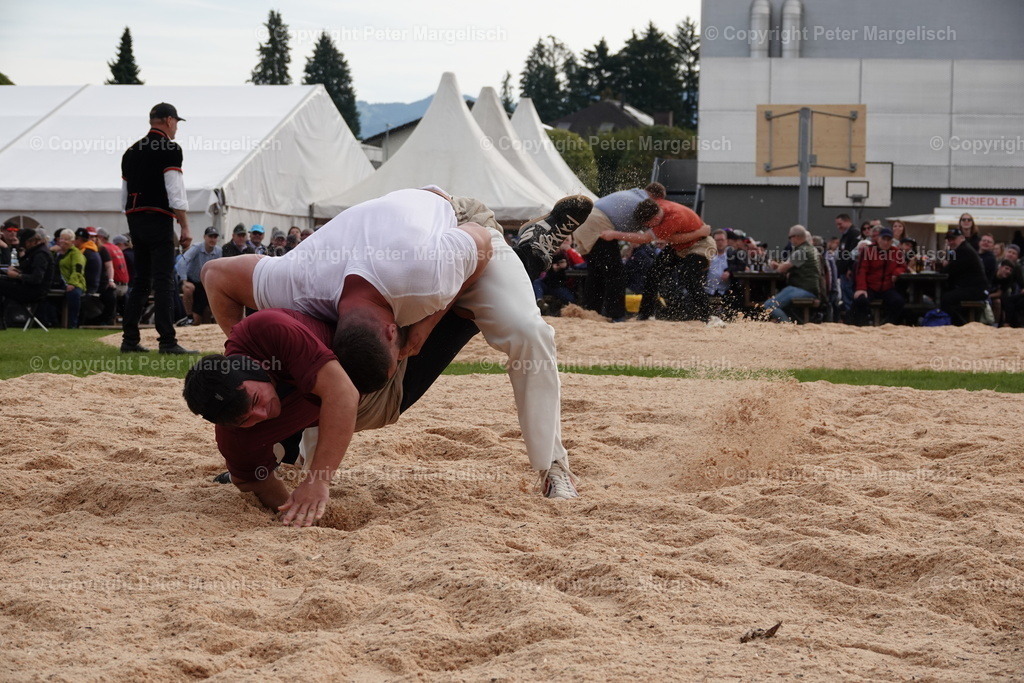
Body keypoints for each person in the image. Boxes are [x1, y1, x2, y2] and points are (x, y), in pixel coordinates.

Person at [200, 188, 592, 499]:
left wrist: (424, 326)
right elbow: (215, 275)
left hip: (460, 227)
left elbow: (481, 247)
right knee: (324, 370)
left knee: (526, 329)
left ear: (394, 332)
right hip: (379, 267)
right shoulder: (295, 282)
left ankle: (553, 466)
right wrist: (244, 360)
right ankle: (285, 448)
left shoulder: (428, 274)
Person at [120, 102, 194, 354]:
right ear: (170, 120)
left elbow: (124, 195)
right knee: (164, 281)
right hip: (159, 217)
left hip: (135, 219)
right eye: (176, 123)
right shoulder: (170, 149)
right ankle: (167, 341)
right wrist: (184, 226)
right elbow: (175, 192)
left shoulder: (130, 152)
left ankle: (129, 339)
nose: (176, 129)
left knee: (140, 280)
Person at [608, 199, 712, 321]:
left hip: (700, 244)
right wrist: (698, 232)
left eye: (648, 225)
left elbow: (644, 238)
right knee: (653, 273)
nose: (648, 227)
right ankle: (645, 315)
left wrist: (614, 234)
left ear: (656, 219)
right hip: (679, 246)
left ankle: (707, 316)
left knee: (688, 275)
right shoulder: (659, 205)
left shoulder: (672, 220)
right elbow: (674, 240)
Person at [762, 225, 822, 322]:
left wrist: (775, 265)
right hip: (810, 288)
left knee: (769, 305)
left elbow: (781, 269)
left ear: (796, 237)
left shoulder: (801, 251)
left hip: (802, 288)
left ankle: (787, 325)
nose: (790, 240)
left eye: (790, 237)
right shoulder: (811, 249)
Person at [849, 227, 907, 326]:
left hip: (887, 288)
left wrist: (896, 272)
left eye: (888, 240)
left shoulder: (896, 252)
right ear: (878, 239)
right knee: (860, 300)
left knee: (899, 302)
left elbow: (902, 266)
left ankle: (888, 324)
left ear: (892, 241)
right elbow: (862, 270)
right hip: (870, 287)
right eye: (883, 239)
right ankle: (862, 325)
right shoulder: (869, 250)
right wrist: (861, 288)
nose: (886, 242)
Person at [935, 227, 988, 326]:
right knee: (946, 295)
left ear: (961, 238)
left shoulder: (963, 250)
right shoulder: (961, 249)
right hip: (973, 288)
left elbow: (947, 271)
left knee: (946, 298)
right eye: (949, 240)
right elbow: (948, 266)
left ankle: (958, 325)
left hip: (976, 290)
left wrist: (944, 265)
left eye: (953, 239)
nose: (951, 242)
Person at [0, 228, 54, 314]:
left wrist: (17, 275)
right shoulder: (36, 252)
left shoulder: (40, 255)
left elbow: (37, 279)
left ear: (30, 241)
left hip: (35, 291)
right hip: (30, 287)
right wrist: (18, 272)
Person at [176, 227, 222, 325]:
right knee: (188, 288)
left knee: (205, 317)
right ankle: (188, 317)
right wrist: (184, 281)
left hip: (205, 285)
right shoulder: (196, 247)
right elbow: (181, 262)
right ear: (204, 237)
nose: (212, 239)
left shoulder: (219, 251)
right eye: (210, 236)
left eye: (215, 237)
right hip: (192, 280)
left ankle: (193, 319)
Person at [95, 228, 129, 323]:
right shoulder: (116, 248)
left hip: (115, 285)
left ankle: (102, 321)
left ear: (100, 237)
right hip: (124, 286)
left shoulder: (104, 248)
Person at [55, 229, 86, 328]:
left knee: (73, 294)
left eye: (67, 239)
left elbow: (77, 270)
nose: (63, 241)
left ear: (72, 241)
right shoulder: (56, 252)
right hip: (58, 283)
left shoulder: (76, 254)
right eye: (62, 238)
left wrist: (72, 283)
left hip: (75, 283)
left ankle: (73, 324)